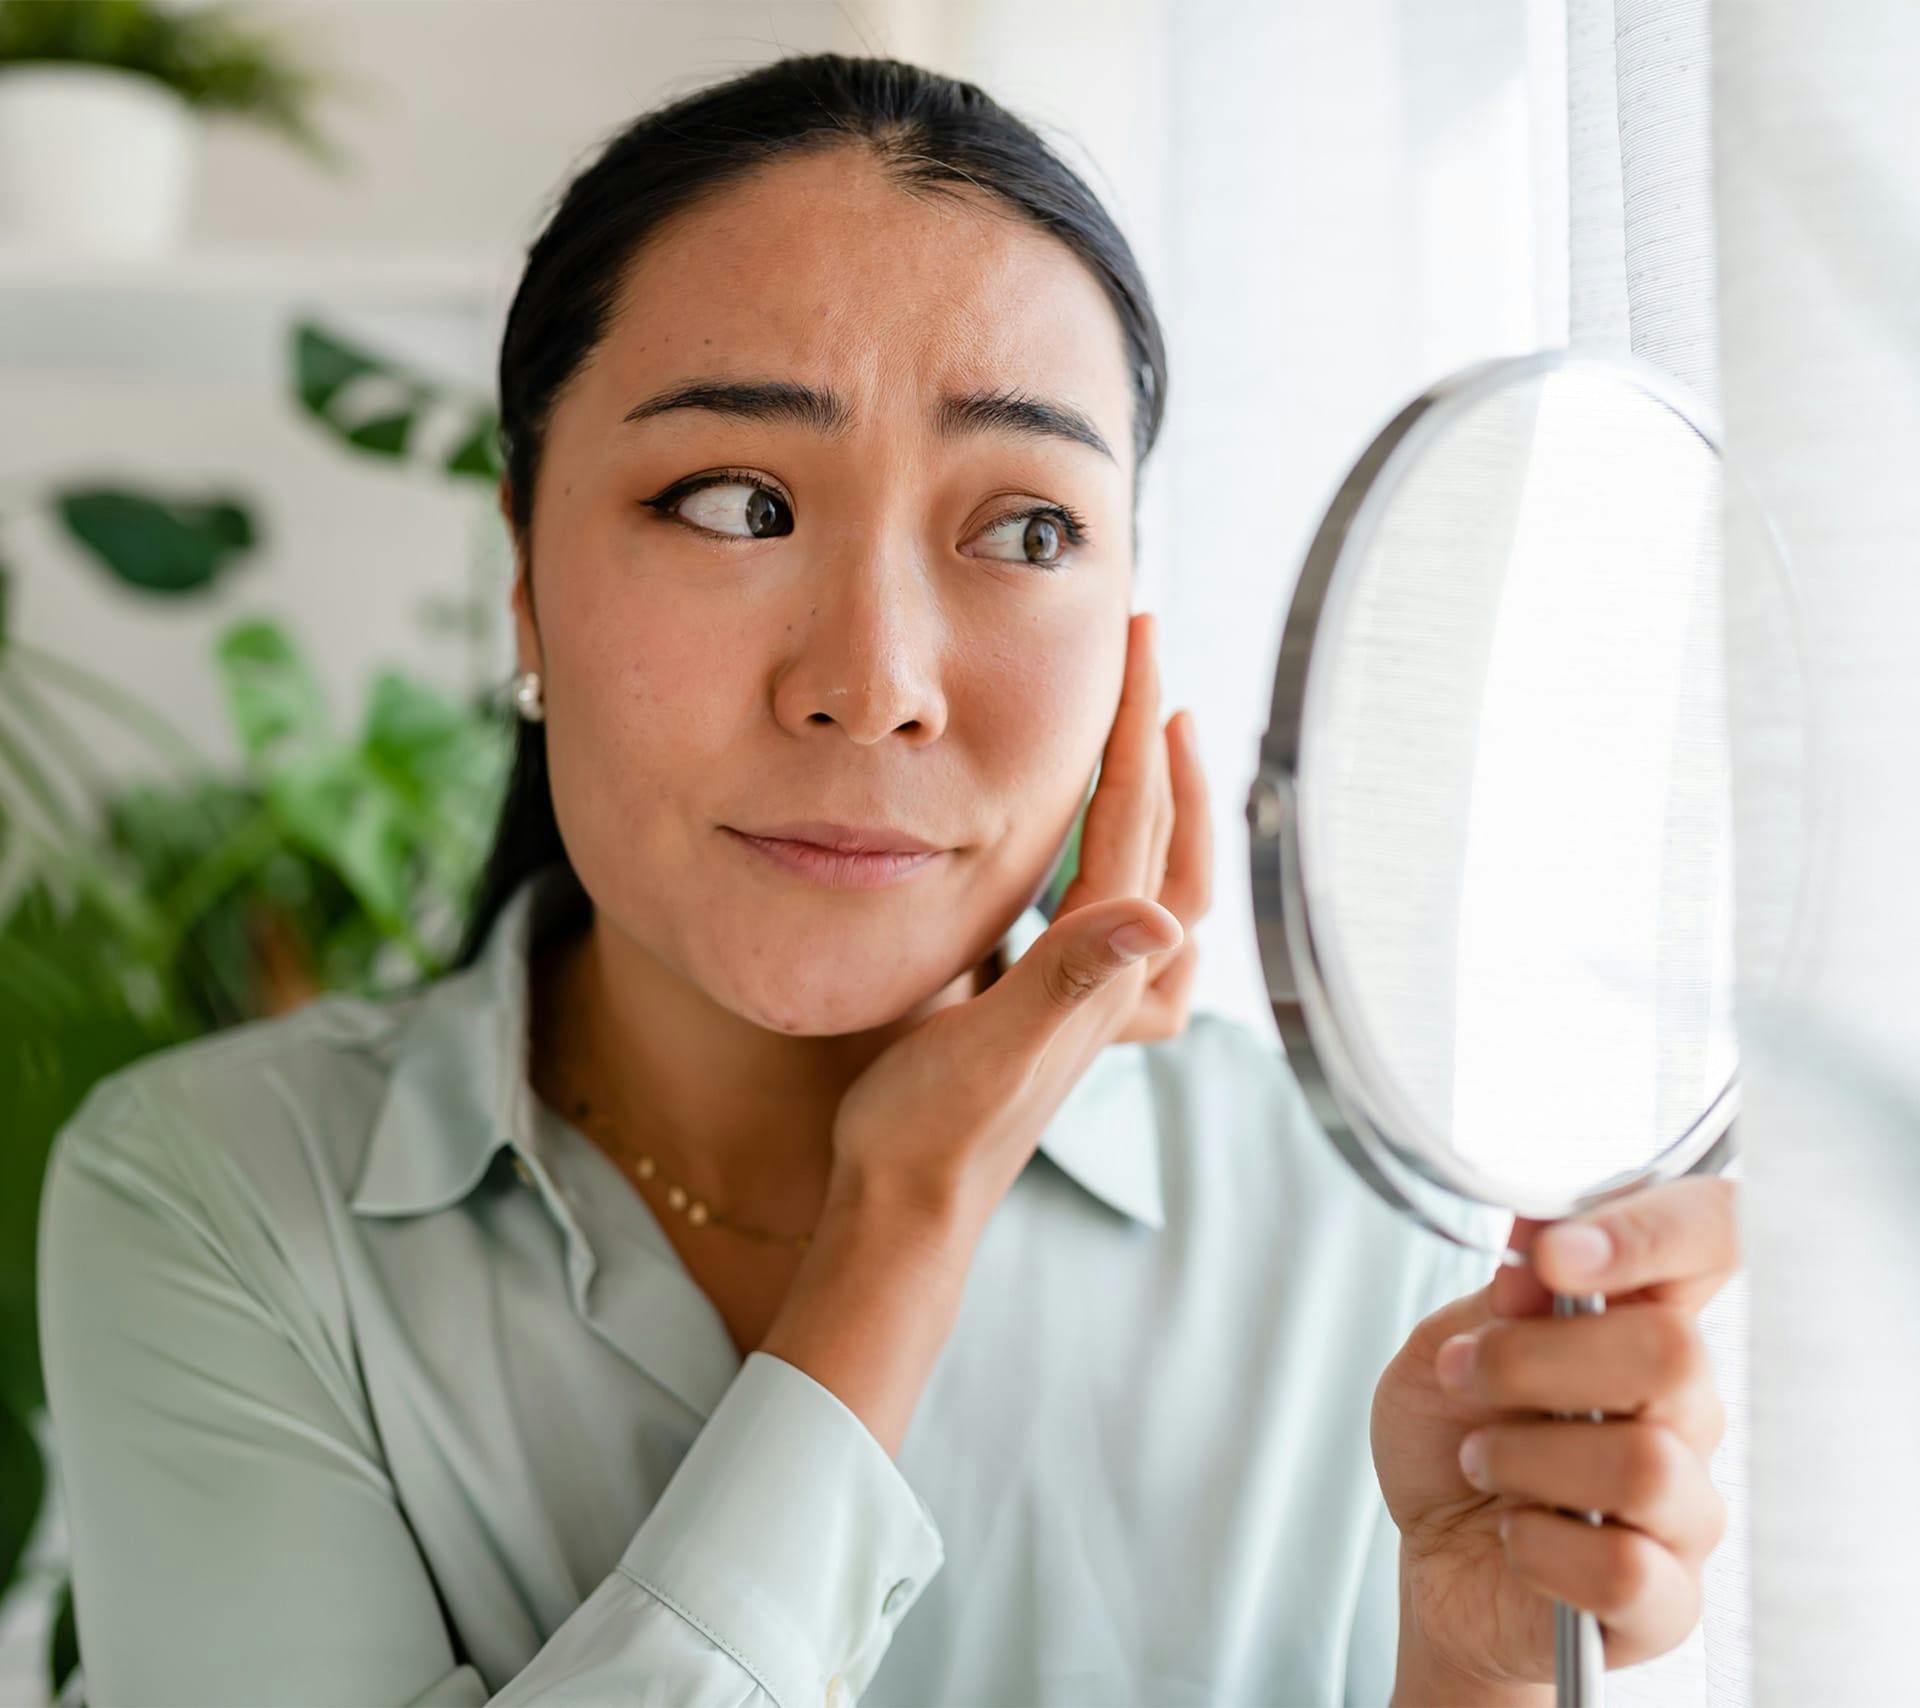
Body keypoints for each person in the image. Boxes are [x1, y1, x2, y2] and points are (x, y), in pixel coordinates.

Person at [36, 52, 1737, 1708]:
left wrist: (1483, 1666)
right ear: (527, 581)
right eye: (733, 501)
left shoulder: (1361, 1239)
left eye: (1026, 533)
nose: (875, 679)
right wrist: (902, 1232)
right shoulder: (223, 1200)